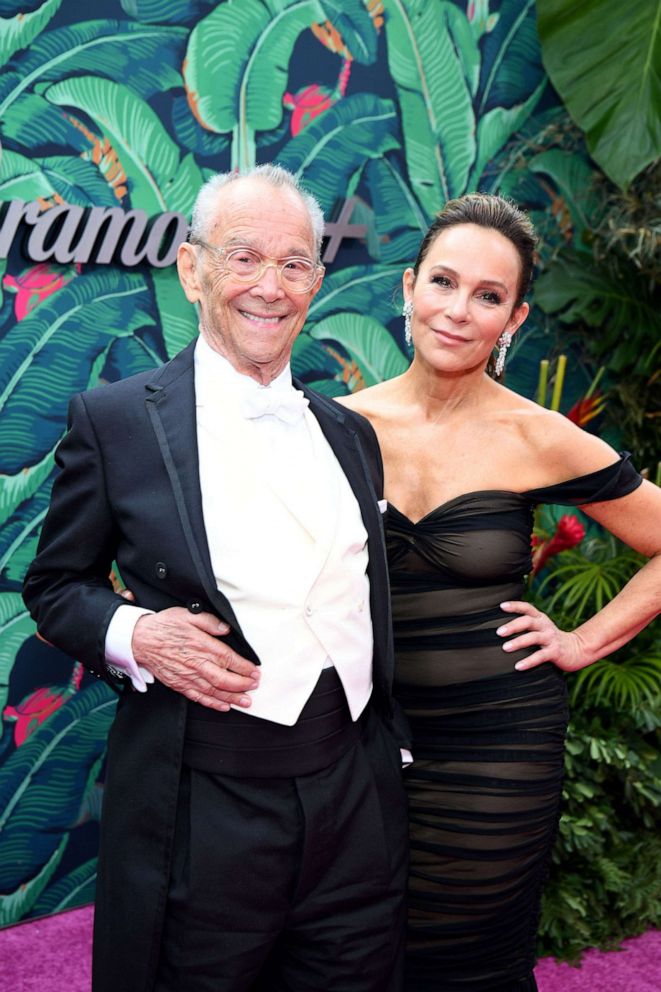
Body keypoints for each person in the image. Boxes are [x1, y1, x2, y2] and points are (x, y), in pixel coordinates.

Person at [22, 165, 409, 992]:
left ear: (317, 280)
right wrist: (137, 633)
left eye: (295, 263)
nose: (270, 286)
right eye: (243, 258)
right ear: (193, 271)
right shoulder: (117, 419)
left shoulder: (349, 431)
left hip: (351, 795)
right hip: (204, 801)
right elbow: (55, 586)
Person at [338, 193, 661, 992]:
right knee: (359, 957)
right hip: (360, 743)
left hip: (495, 746)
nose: (457, 310)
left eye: (486, 296)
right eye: (442, 282)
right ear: (407, 287)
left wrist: (582, 642)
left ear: (512, 318)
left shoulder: (535, 435)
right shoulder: (336, 425)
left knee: (464, 961)